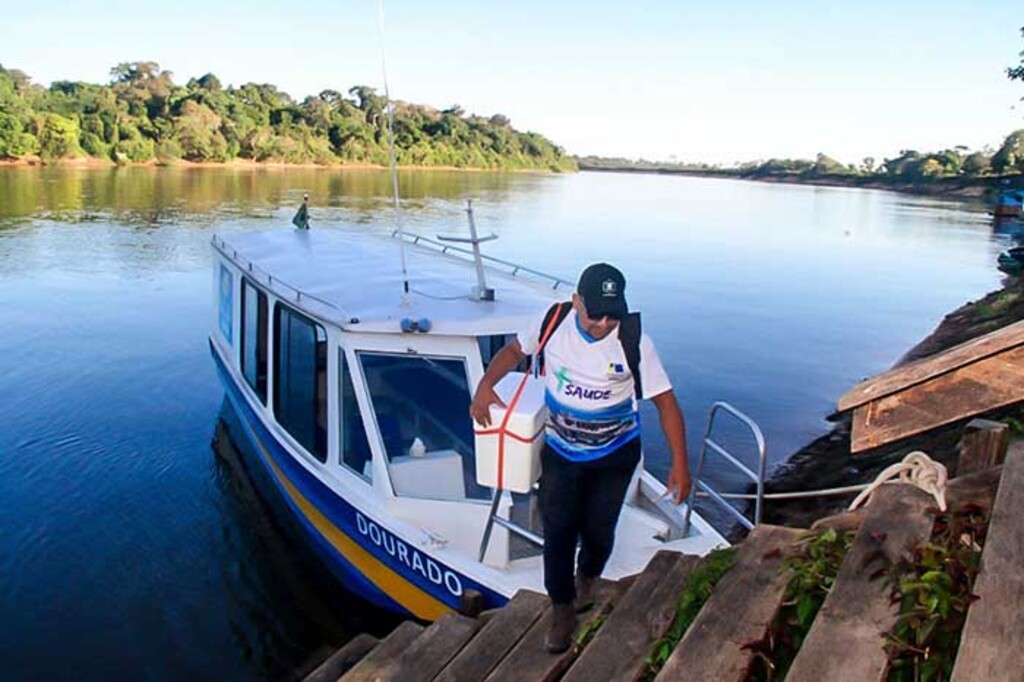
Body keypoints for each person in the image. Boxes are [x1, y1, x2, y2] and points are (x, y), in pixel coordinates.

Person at [470, 263, 692, 654]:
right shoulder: (552, 321)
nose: (604, 324)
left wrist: (680, 464)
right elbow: (512, 351)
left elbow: (666, 402)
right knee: (557, 531)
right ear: (576, 303)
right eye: (595, 314)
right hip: (561, 452)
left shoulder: (634, 339)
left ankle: (588, 578)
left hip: (615, 455)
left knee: (599, 529)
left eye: (613, 315)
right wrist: (485, 386)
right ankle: (561, 607)